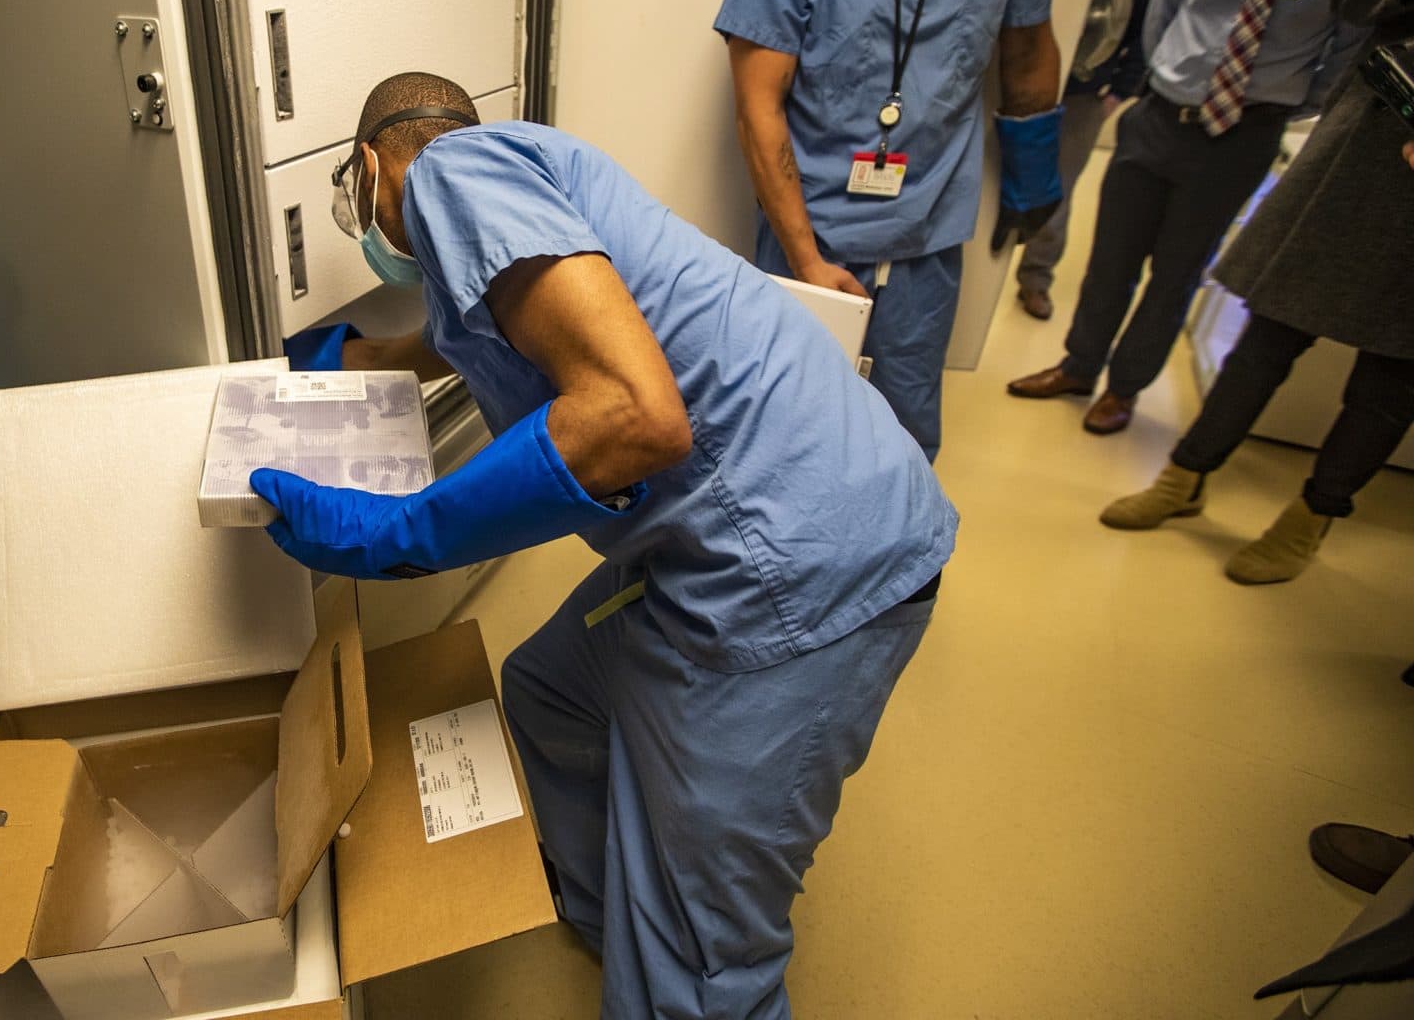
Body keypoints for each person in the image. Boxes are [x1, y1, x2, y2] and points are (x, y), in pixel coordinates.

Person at [263, 72, 956, 1018]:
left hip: (798, 574)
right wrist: (355, 357)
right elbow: (479, 330)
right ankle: (609, 918)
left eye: (356, 198)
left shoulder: (447, 177)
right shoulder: (515, 195)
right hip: (759, 529)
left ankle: (672, 961)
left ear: (373, 162)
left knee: (706, 968)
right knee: (552, 695)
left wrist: (397, 535)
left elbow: (635, 415)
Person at [1008, 0, 1410, 435]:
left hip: (1244, 135)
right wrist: (1173, 88)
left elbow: (1342, 59)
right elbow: (1162, 19)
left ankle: (1125, 388)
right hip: (1160, 120)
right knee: (1110, 261)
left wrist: (1269, 105)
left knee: (1176, 276)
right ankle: (1079, 365)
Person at [717, 0, 1063, 462]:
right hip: (809, 229)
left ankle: (892, 568)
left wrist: (1036, 185)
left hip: (926, 231)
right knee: (786, 423)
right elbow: (758, 109)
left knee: (904, 429)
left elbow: (1027, 54)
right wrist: (806, 260)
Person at [1099, 0, 1414, 583]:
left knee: (1391, 376)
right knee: (1266, 339)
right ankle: (1187, 475)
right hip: (1361, 157)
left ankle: (1311, 517)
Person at [1016, 0, 1173, 321]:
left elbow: (1150, 27)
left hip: (1087, 92)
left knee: (1057, 191)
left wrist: (1119, 92)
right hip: (1025, 83)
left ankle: (1035, 279)